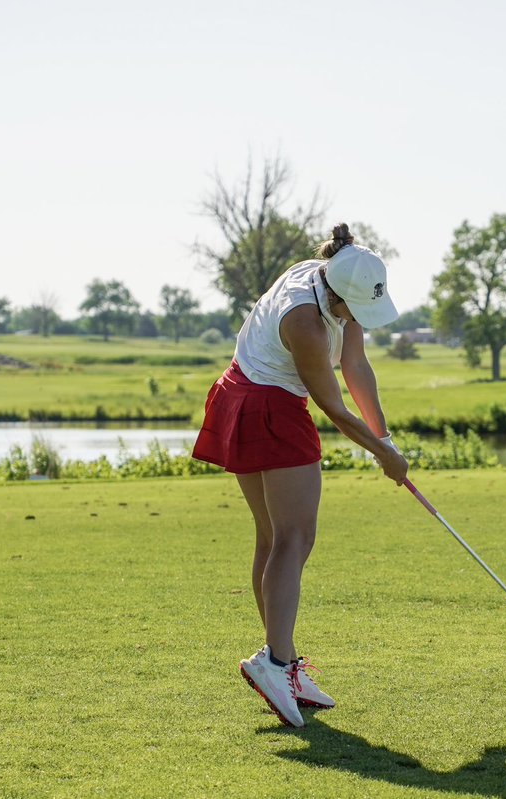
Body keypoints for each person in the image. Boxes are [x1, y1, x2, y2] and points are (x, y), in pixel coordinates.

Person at [192, 223, 409, 727]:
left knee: (274, 539)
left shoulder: (334, 282)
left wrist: (386, 437)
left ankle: (282, 662)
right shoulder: (305, 323)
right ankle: (274, 662)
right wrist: (382, 455)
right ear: (339, 294)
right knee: (294, 537)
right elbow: (331, 405)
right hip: (264, 403)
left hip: (243, 394)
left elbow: (355, 364)